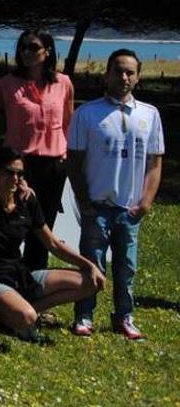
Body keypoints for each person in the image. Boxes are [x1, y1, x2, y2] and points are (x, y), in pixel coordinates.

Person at [0, 147, 105, 341]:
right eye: (9, 172)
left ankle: (14, 315)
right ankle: (13, 314)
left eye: (20, 174)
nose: (15, 179)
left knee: (89, 283)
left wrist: (88, 265)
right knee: (27, 317)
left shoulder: (27, 201)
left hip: (20, 274)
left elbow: (51, 242)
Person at [67, 49, 164, 340]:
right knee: (91, 264)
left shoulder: (150, 114)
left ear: (137, 77)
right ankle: (84, 315)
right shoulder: (87, 113)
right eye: (118, 71)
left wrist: (146, 201)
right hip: (97, 205)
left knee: (127, 267)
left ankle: (124, 316)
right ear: (106, 74)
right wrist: (84, 202)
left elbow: (155, 162)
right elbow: (74, 161)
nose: (124, 77)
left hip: (129, 209)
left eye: (130, 72)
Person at [0, 29, 74, 271]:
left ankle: (35, 284)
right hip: (19, 165)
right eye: (22, 47)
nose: (26, 52)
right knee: (12, 222)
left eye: (33, 47)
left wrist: (67, 155)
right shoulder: (7, 84)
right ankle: (6, 278)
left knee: (43, 228)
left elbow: (69, 123)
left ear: (47, 52)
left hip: (53, 165)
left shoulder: (64, 83)